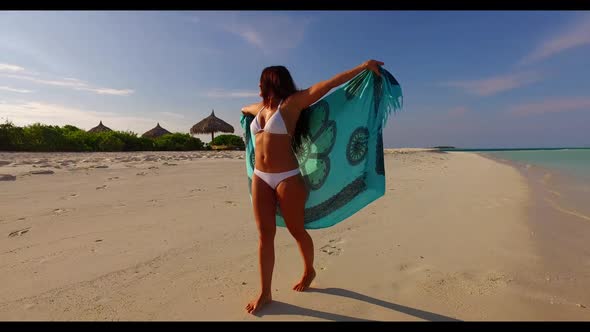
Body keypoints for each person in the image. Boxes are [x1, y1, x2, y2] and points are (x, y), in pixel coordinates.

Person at [241, 59, 384, 314]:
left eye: (261, 80)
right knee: (265, 236)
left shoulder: (293, 102)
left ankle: (309, 269)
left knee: (297, 231)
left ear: (270, 81)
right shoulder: (260, 108)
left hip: (287, 177)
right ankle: (265, 291)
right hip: (261, 178)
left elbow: (328, 85)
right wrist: (246, 113)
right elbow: (245, 108)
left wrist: (362, 67)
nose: (258, 85)